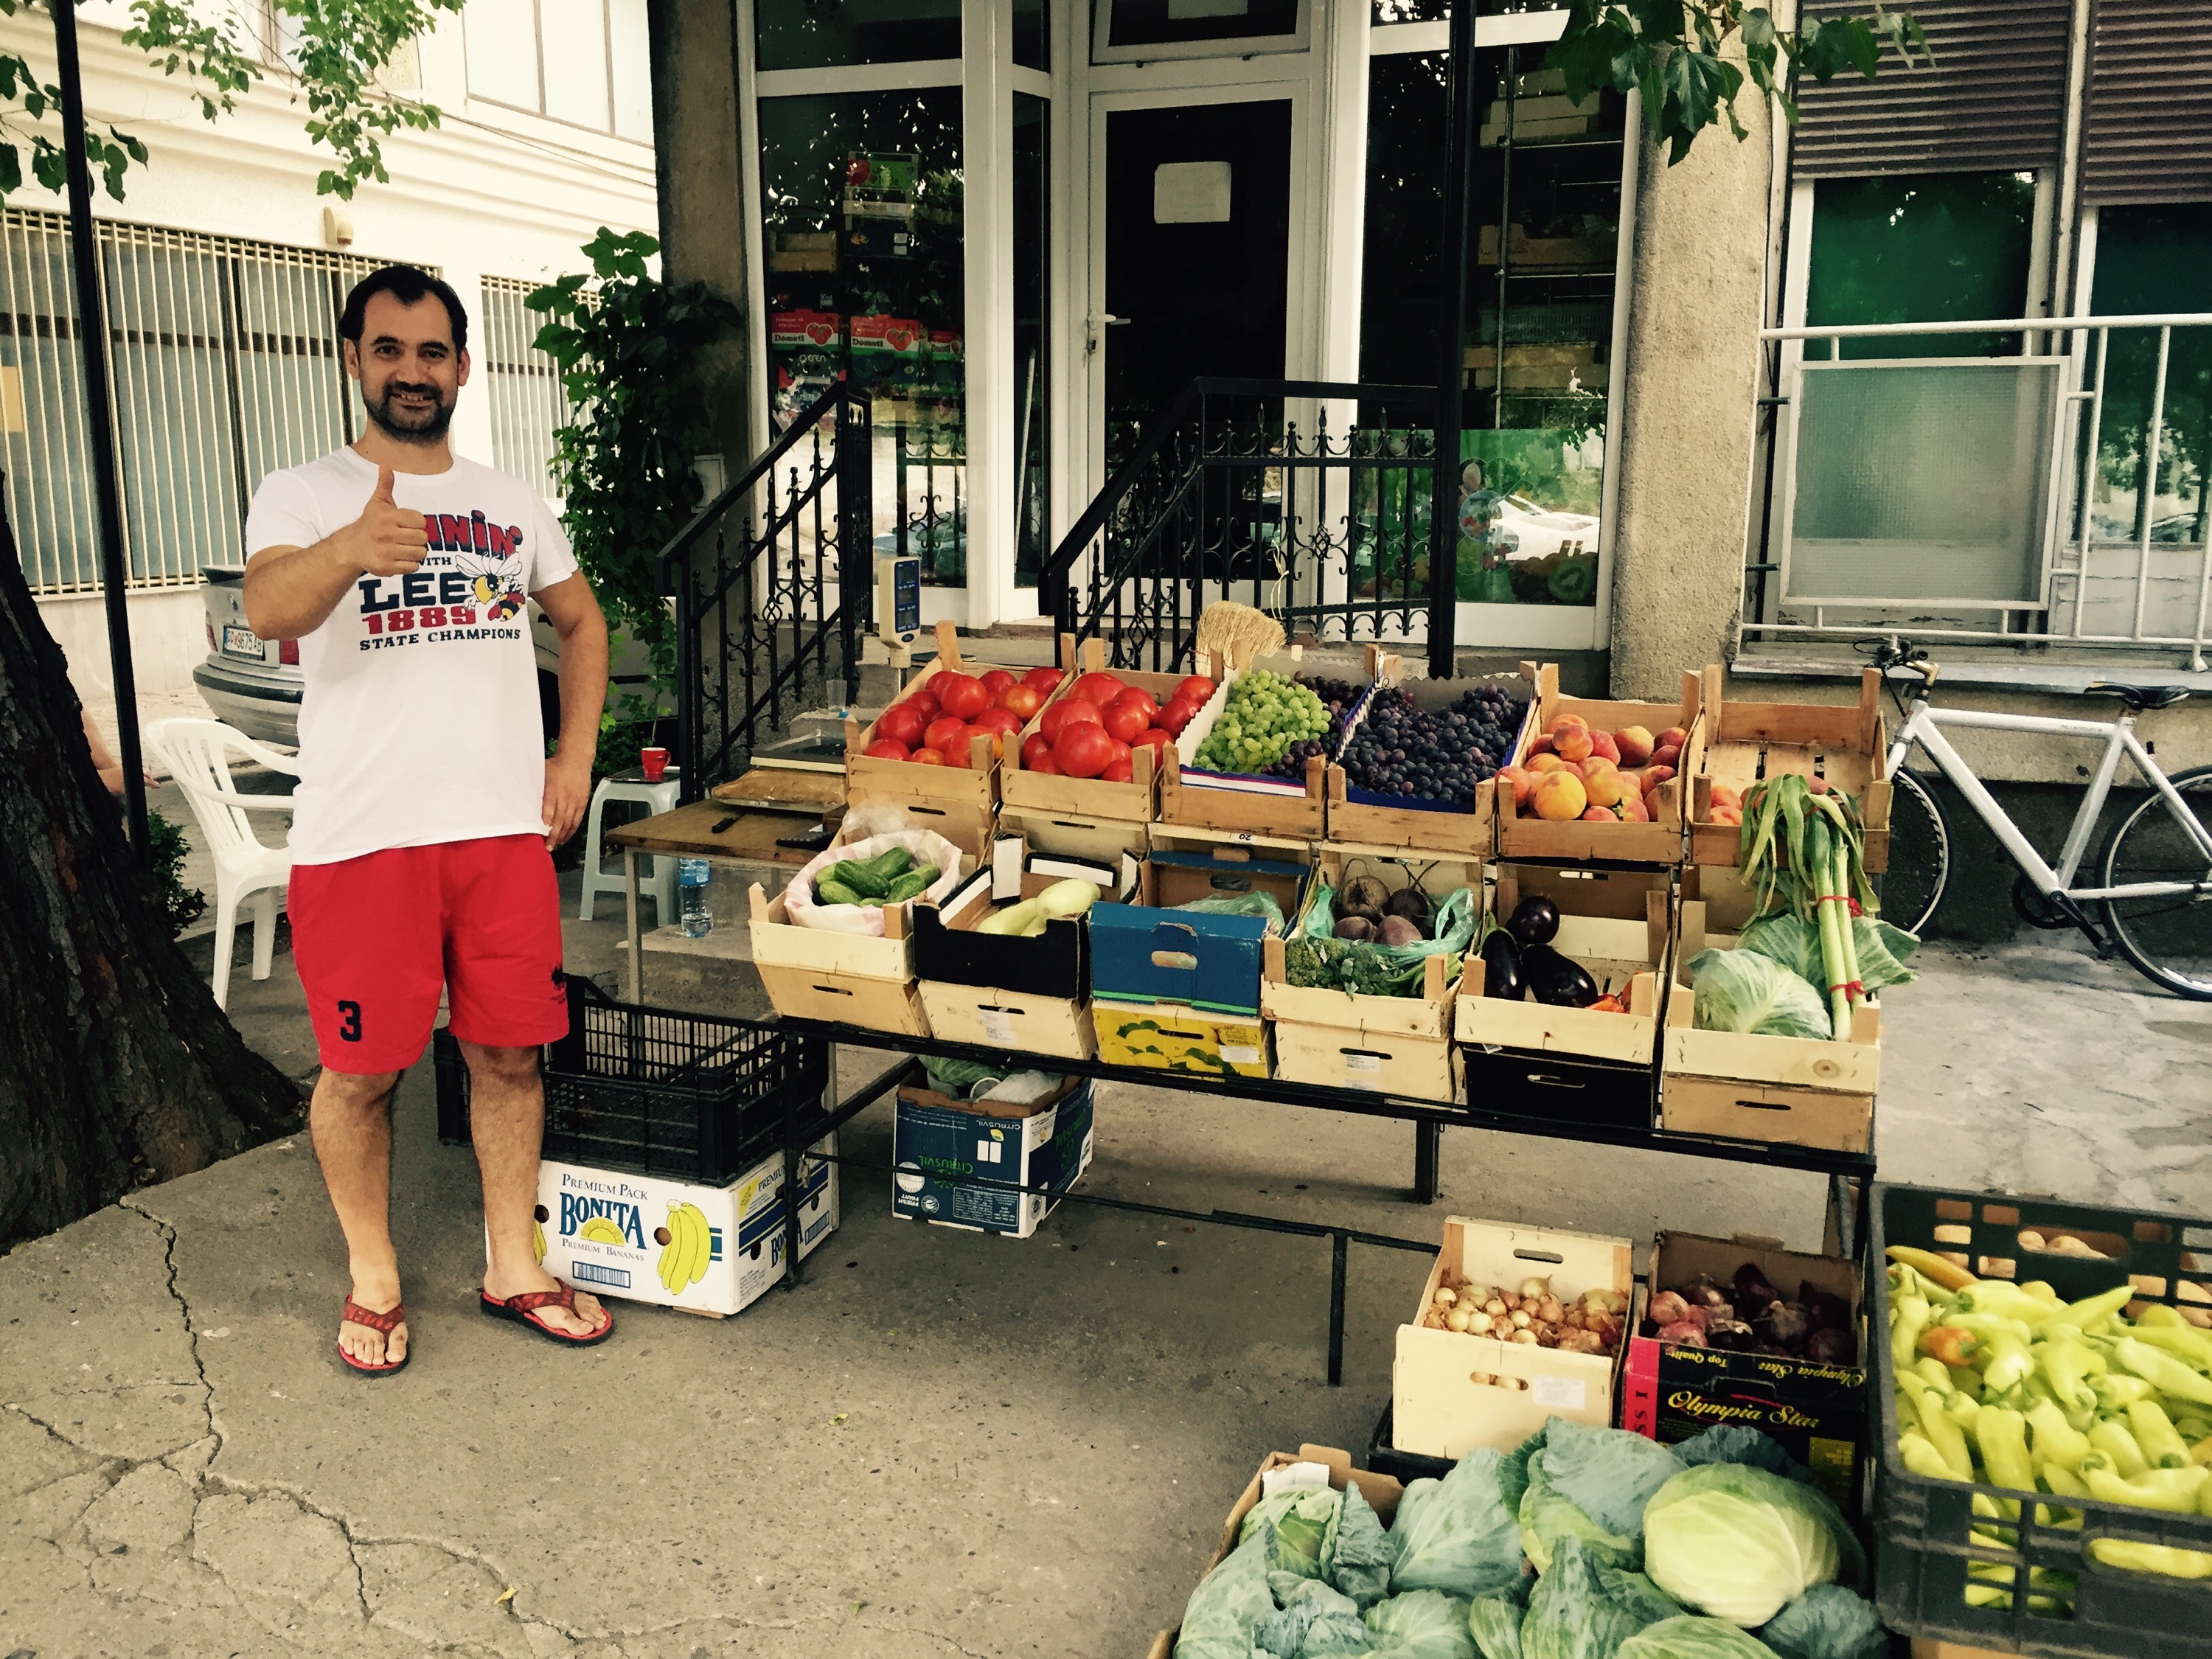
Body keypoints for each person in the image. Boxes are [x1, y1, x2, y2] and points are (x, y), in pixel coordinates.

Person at [241, 265, 612, 1376]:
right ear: (353, 360)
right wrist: (353, 549)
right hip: (364, 841)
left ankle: (513, 1263)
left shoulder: (508, 500)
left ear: (464, 365)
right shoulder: (304, 493)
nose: (413, 369)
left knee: (510, 1056)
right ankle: (376, 1277)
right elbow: (268, 607)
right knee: (363, 1070)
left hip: (498, 834)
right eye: (390, 348)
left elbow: (582, 622)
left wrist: (576, 756)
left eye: (434, 350)